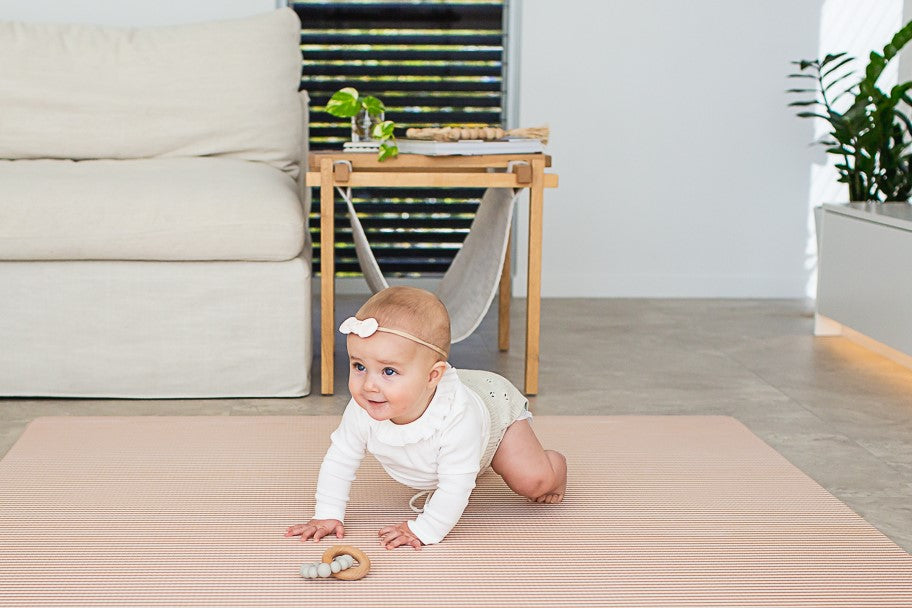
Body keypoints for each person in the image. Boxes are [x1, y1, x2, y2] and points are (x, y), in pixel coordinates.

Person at [284, 286, 566, 550]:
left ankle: (555, 466)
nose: (368, 385)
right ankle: (469, 462)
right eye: (359, 366)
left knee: (532, 481)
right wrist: (327, 514)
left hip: (494, 411)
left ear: (433, 376)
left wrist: (425, 528)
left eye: (388, 372)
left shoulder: (458, 418)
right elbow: (340, 459)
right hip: (451, 419)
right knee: (458, 465)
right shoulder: (365, 407)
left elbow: (456, 486)